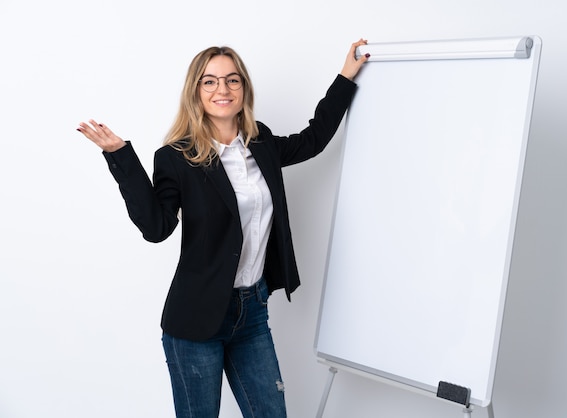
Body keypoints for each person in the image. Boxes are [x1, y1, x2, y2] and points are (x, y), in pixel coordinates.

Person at [76, 39, 369, 418]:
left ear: (243, 87)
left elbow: (313, 140)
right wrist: (120, 157)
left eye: (232, 80)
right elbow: (156, 228)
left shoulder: (260, 142)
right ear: (196, 92)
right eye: (210, 81)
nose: (222, 90)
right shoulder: (177, 157)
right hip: (195, 319)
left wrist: (346, 76)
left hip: (253, 312)